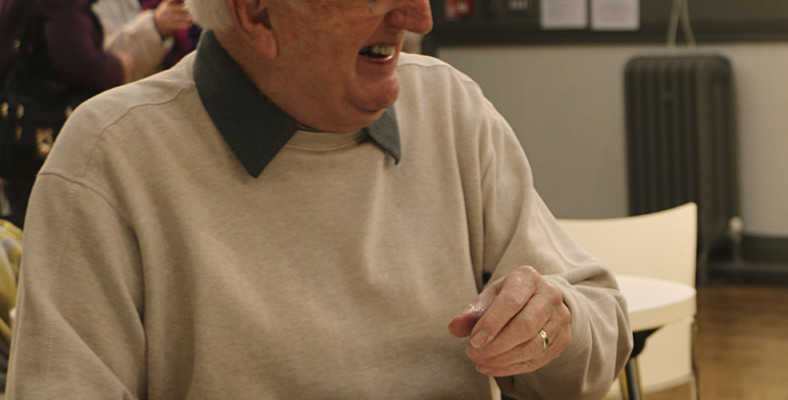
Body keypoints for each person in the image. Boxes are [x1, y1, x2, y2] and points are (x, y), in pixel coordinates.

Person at [6, 0, 630, 397]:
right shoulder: (110, 157)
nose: (420, 16)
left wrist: (554, 326)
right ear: (256, 14)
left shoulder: (450, 108)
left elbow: (600, 328)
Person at [0, 0, 139, 228]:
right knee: (58, 231)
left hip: (18, 137)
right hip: (46, 137)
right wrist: (119, 65)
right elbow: (80, 63)